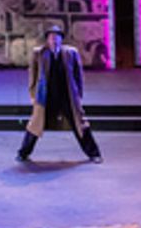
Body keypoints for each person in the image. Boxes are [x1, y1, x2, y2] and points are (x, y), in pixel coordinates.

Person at [17, 25, 102, 164]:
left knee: (80, 124)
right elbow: (33, 75)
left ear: (61, 39)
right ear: (47, 40)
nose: (54, 40)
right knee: (35, 124)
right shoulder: (39, 53)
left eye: (57, 37)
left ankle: (94, 153)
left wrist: (78, 95)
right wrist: (33, 95)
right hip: (46, 95)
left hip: (67, 95)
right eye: (51, 37)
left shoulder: (71, 53)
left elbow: (78, 75)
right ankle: (23, 153)